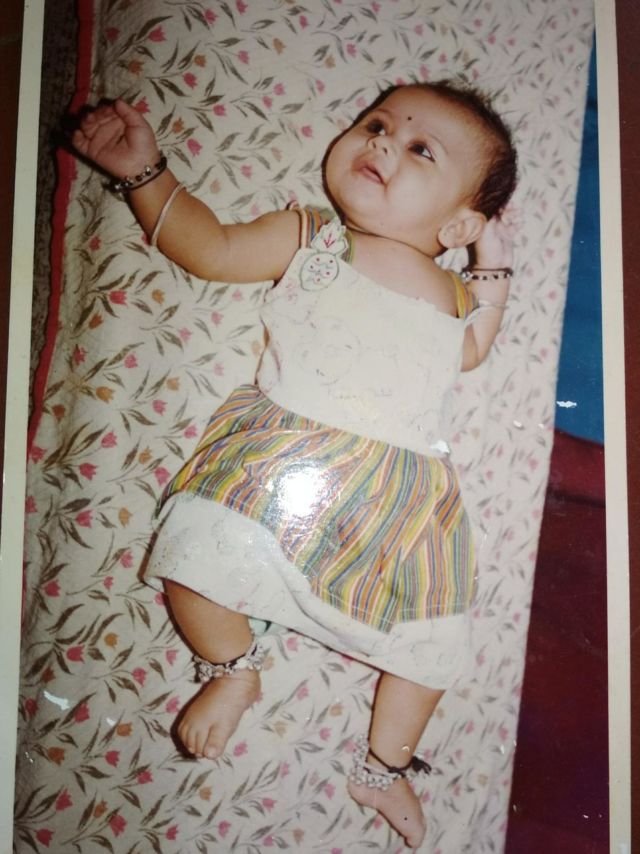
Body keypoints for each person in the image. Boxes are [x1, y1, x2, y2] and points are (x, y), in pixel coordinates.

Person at [72, 80, 517, 849]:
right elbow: (211, 249)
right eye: (375, 124)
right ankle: (232, 668)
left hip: (399, 498)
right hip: (286, 461)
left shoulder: (453, 292)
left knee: (436, 644)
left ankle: (384, 767)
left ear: (458, 223)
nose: (381, 143)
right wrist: (144, 173)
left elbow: (473, 349)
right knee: (194, 548)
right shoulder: (315, 237)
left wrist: (493, 262)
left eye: (418, 149)